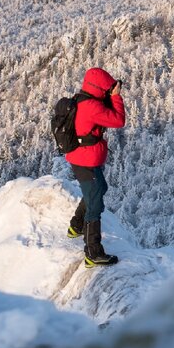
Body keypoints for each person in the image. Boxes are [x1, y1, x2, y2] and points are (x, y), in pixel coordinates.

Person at [65, 67, 126, 267]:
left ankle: (76, 226)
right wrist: (116, 97)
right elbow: (118, 120)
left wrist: (109, 95)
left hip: (83, 157)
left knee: (100, 189)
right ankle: (92, 253)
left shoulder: (83, 99)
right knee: (95, 204)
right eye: (107, 88)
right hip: (85, 160)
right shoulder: (91, 106)